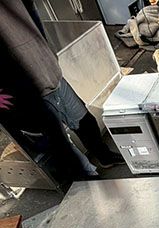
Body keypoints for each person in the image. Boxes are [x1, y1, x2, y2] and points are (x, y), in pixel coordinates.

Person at [0, 0, 122, 181]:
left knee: (85, 122)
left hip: (49, 72)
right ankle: (89, 180)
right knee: (59, 144)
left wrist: (50, 56)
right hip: (25, 94)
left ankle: (104, 157)